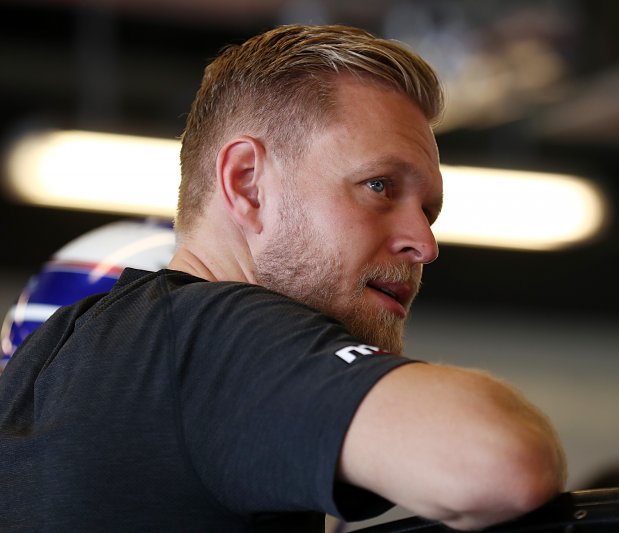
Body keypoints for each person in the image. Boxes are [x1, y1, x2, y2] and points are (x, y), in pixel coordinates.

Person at [0, 24, 566, 532]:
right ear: (247, 183)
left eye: (429, 212)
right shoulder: (209, 335)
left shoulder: (48, 363)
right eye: (379, 186)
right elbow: (499, 460)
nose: (425, 244)